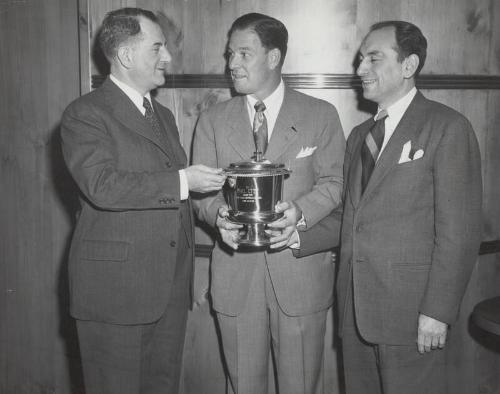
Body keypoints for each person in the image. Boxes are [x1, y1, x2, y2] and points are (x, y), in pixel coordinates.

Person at [296, 20, 483, 394]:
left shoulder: (448, 127)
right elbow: (351, 219)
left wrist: (437, 312)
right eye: (360, 59)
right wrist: (293, 235)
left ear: (409, 66)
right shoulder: (359, 137)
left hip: (413, 315)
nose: (360, 69)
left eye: (373, 59)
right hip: (355, 313)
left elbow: (458, 232)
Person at [60, 7, 226, 394]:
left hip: (167, 288)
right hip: (115, 293)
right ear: (127, 56)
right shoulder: (85, 114)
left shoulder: (164, 115)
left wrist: (219, 215)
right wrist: (185, 180)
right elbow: (103, 185)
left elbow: (176, 194)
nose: (167, 58)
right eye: (157, 48)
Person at [192, 13, 345, 394]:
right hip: (235, 277)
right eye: (230, 54)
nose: (232, 64)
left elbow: (336, 181)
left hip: (300, 278)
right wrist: (217, 215)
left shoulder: (320, 114)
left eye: (244, 53)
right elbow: (203, 193)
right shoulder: (212, 120)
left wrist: (302, 212)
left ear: (274, 58)